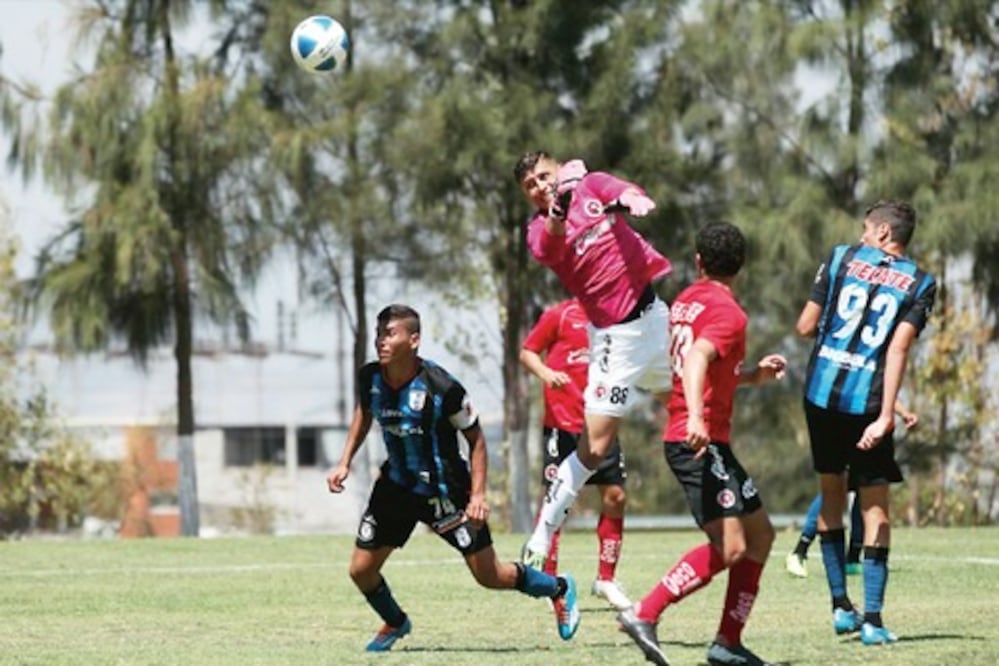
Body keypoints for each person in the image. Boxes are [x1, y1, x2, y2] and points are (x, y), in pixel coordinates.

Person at [327, 304, 581, 652]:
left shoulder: (442, 387)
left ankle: (558, 588)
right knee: (360, 570)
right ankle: (396, 622)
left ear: (413, 340)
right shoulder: (370, 377)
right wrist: (344, 462)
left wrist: (477, 496)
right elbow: (364, 412)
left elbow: (476, 441)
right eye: (379, 333)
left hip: (446, 491)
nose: (381, 341)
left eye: (390, 334)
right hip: (396, 487)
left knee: (490, 575)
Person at [617, 222, 786, 666]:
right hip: (696, 440)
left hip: (708, 442)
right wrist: (695, 415)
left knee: (760, 535)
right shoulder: (730, 313)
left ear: (698, 262)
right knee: (731, 547)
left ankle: (727, 643)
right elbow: (695, 359)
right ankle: (643, 612)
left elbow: (711, 367)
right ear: (742, 265)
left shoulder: (687, 301)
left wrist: (753, 376)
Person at [513, 151, 673, 569]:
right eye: (531, 185)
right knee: (595, 448)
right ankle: (542, 533)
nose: (540, 186)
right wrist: (558, 211)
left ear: (558, 169)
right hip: (615, 339)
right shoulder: (537, 230)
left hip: (655, 317)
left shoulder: (589, 185)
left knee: (691, 404)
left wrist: (632, 197)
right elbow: (550, 246)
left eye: (543, 176)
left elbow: (619, 189)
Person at [796, 200, 936, 646]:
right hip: (866, 405)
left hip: (820, 395)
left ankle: (841, 608)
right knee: (876, 509)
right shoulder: (921, 282)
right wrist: (887, 414)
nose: (861, 236)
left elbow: (805, 326)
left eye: (866, 229)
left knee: (830, 497)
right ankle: (872, 619)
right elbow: (898, 349)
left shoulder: (841, 257)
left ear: (883, 233)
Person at [520, 297, 631, 611]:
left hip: (600, 420)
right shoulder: (561, 314)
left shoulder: (616, 318)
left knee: (616, 496)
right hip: (562, 424)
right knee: (557, 501)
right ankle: (548, 581)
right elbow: (527, 352)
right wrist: (546, 373)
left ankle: (606, 579)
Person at [785, 402, 919, 578]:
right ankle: (799, 551)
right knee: (837, 489)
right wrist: (903, 413)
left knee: (866, 487)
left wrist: (904, 413)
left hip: (872, 425)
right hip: (849, 422)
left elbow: (883, 390)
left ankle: (853, 557)